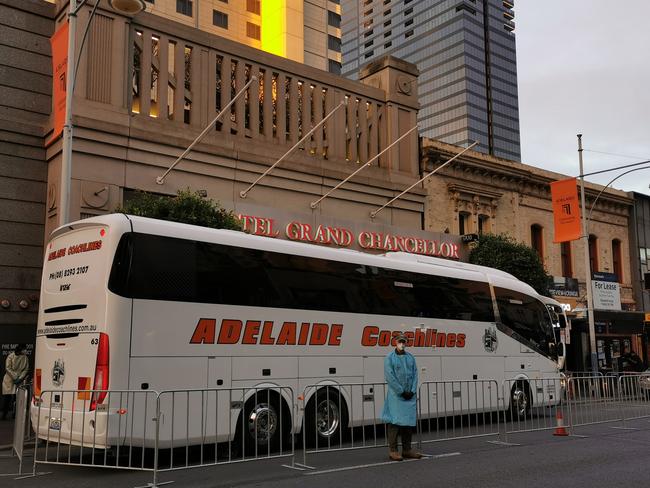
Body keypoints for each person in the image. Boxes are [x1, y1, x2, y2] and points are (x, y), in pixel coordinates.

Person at [382, 333, 422, 461]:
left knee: (408, 423)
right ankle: (393, 450)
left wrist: (412, 390)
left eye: (404, 341)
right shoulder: (389, 358)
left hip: (409, 396)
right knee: (394, 423)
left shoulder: (410, 358)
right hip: (396, 397)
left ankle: (407, 449)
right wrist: (401, 391)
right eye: (400, 341)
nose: (402, 344)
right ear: (395, 342)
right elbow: (390, 377)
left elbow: (415, 374)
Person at [1, 344, 29, 420]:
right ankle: (4, 415)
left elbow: (26, 369)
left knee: (17, 399)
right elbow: (8, 368)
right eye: (24, 349)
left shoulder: (25, 357)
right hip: (9, 379)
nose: (25, 351)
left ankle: (15, 415)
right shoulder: (10, 356)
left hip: (19, 380)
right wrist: (15, 377)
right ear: (20, 349)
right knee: (7, 398)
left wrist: (20, 378)